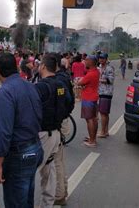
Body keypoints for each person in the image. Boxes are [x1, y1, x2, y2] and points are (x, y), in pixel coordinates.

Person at [0, 53, 43, 208]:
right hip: (35, 147)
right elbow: (39, 115)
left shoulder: (5, 92)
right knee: (26, 198)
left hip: (19, 153)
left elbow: (4, 132)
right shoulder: (29, 86)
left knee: (16, 201)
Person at [35, 53, 68, 208]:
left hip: (43, 133)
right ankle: (48, 203)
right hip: (55, 131)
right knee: (49, 170)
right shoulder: (61, 83)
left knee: (31, 171)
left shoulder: (41, 86)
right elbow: (69, 105)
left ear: (42, 66)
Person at [53, 54, 75, 206]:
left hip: (58, 123)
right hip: (62, 120)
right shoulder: (63, 77)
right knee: (58, 158)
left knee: (55, 160)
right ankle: (62, 190)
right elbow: (70, 102)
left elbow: (66, 101)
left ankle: (59, 193)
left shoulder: (58, 80)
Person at [77, 55, 100, 148]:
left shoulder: (90, 74)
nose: (85, 62)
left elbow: (79, 83)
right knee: (94, 118)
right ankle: (93, 138)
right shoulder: (96, 71)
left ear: (91, 62)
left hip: (88, 98)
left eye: (86, 60)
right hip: (94, 97)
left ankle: (92, 141)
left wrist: (80, 82)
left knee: (89, 119)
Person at [97, 53, 115, 138]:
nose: (101, 60)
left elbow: (110, 80)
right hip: (101, 92)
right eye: (100, 58)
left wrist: (98, 79)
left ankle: (103, 131)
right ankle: (106, 131)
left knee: (103, 113)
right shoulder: (99, 67)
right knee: (105, 113)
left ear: (106, 59)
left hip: (106, 92)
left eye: (103, 58)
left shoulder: (109, 68)